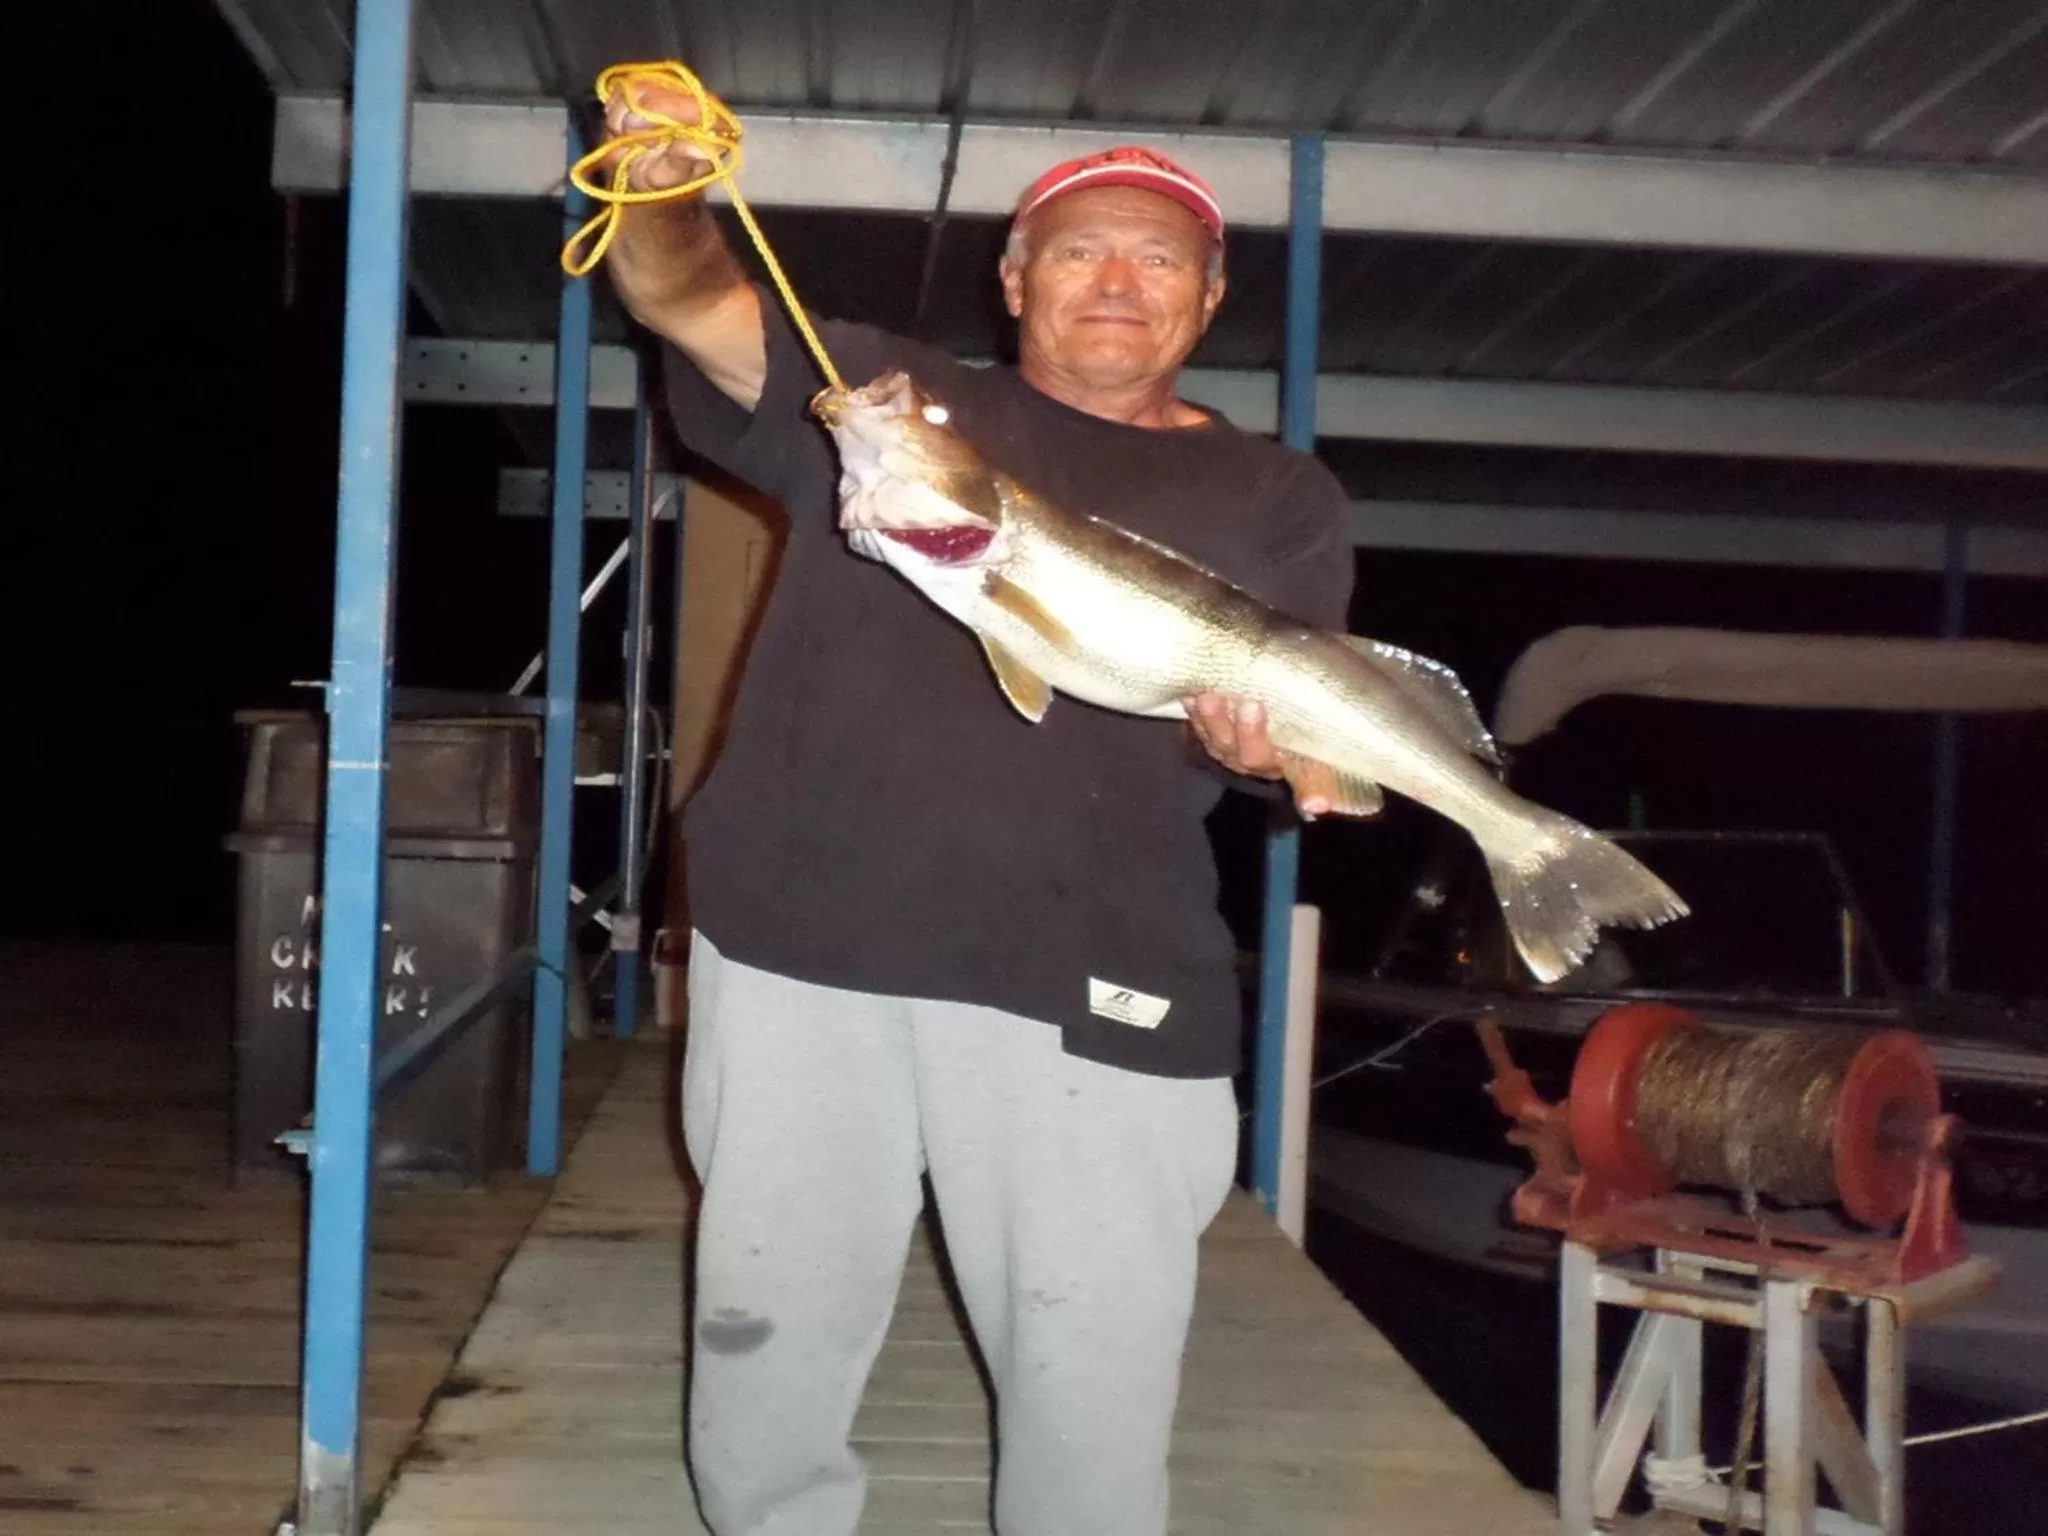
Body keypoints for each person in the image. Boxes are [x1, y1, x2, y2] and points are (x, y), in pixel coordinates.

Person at [599, 79, 1355, 1536]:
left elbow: (1286, 739)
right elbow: (684, 296)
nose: (1117, 282)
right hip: (804, 946)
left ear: (1207, 298)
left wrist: (1266, 748)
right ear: (1016, 281)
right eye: (1079, 251)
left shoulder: (1279, 496)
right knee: (770, 1338)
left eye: (1157, 257)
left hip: (1097, 969)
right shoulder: (892, 401)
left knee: (1095, 1366)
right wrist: (658, 188)